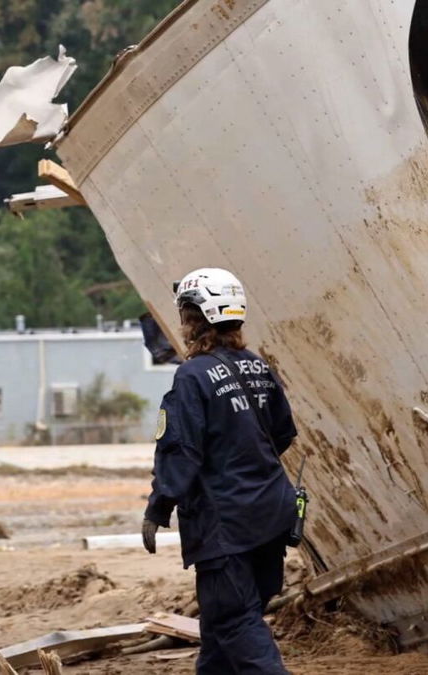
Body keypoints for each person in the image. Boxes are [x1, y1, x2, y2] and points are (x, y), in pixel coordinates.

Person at [142, 268, 298, 675]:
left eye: (186, 315)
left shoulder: (192, 376)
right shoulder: (258, 368)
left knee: (233, 620)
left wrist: (158, 508)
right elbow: (282, 433)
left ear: (197, 319)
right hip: (271, 515)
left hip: (224, 526)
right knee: (220, 630)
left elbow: (179, 453)